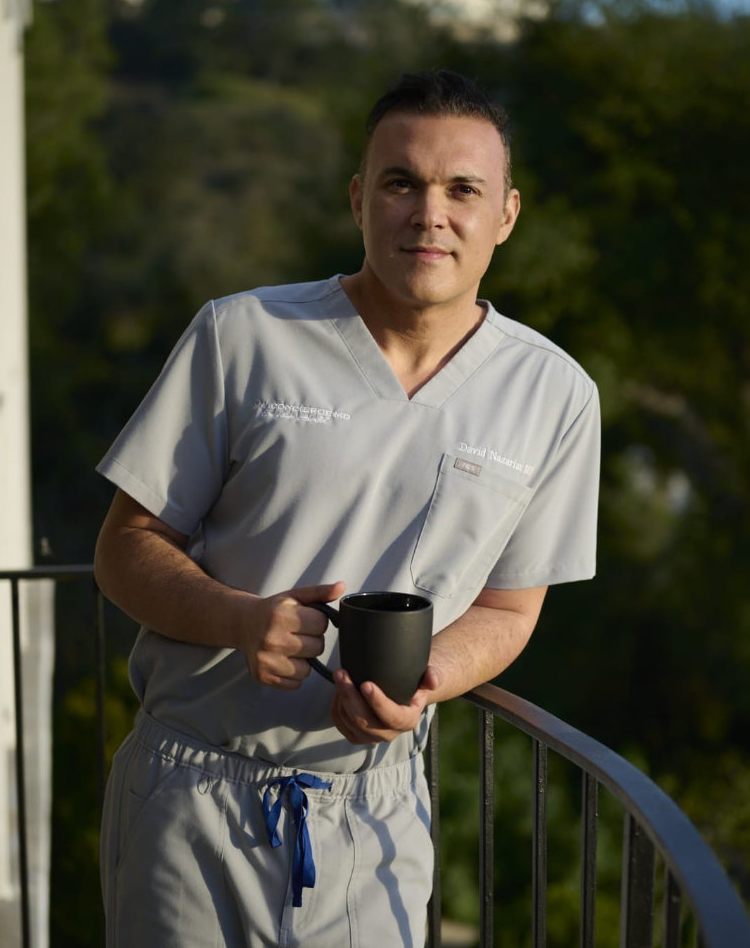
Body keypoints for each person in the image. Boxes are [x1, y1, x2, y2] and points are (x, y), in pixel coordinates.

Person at [93, 68, 600, 948]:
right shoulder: (242, 337)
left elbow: (512, 607)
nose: (428, 213)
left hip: (378, 809)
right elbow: (125, 548)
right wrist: (241, 618)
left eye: (462, 190)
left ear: (506, 216)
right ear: (360, 199)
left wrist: (428, 679)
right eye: (401, 182)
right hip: (188, 797)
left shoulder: (554, 394)